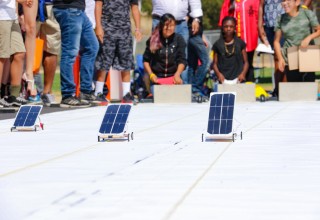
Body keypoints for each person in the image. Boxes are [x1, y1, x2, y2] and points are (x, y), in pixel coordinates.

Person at [94, 0, 142, 103]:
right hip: (107, 28)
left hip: (124, 30)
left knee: (126, 61)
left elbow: (134, 7)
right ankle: (98, 92)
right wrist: (98, 26)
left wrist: (138, 28)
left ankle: (126, 94)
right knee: (104, 60)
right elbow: (98, 4)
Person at [53, 0, 99, 107]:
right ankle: (67, 94)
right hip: (69, 9)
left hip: (79, 10)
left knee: (92, 47)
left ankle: (86, 91)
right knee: (70, 51)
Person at [151, 0, 203, 84]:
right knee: (157, 56)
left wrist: (196, 18)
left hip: (180, 23)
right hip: (160, 20)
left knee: (182, 57)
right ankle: (156, 87)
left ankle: (183, 88)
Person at [274, 0, 320, 82]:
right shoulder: (280, 19)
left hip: (307, 55)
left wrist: (309, 38)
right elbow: (276, 41)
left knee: (309, 88)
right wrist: (280, 58)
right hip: (290, 58)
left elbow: (318, 30)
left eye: (288, 1)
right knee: (294, 89)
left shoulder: (307, 13)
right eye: (283, 2)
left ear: (297, 2)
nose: (285, 4)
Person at [143, 13, 187, 92]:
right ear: (161, 26)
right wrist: (151, 75)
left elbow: (182, 60)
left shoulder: (179, 39)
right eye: (166, 25)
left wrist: (177, 74)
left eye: (172, 25)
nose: (169, 28)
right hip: (157, 79)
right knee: (160, 95)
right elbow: (146, 61)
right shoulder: (153, 39)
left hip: (173, 78)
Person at [219, 0, 259, 82]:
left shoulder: (254, 1)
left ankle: (249, 85)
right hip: (233, 39)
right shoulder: (228, 2)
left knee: (248, 62)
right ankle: (233, 85)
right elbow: (223, 22)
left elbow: (258, 18)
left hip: (249, 37)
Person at [0, 0, 28, 108]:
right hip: (2, 17)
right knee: (2, 56)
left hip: (12, 17)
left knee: (19, 53)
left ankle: (14, 96)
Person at [35, 0, 61, 106]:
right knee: (28, 48)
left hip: (50, 6)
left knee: (51, 49)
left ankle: (45, 91)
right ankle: (37, 91)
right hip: (32, 5)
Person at [258, 0, 284, 97]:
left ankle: (282, 88)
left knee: (281, 56)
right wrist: (260, 26)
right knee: (276, 58)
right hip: (269, 26)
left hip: (282, 25)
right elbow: (261, 6)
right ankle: (277, 88)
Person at [212, 16, 249, 84]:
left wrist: (243, 74)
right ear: (222, 28)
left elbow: (246, 62)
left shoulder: (240, 43)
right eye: (226, 26)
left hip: (238, 79)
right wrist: (219, 74)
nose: (228, 29)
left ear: (235, 28)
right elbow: (214, 64)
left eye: (231, 26)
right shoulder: (217, 44)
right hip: (223, 80)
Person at [187, 15, 210, 102]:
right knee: (206, 62)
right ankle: (195, 88)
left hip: (196, 35)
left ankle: (190, 90)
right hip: (193, 35)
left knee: (192, 64)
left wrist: (202, 37)